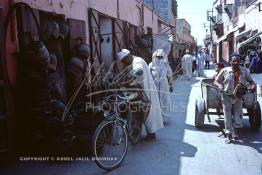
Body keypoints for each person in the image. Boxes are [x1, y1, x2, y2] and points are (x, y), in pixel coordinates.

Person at [117, 49, 163, 141]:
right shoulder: (133, 61)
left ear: (128, 56)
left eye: (124, 61)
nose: (124, 63)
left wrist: (129, 76)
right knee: (145, 111)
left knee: (148, 112)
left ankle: (151, 134)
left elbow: (139, 71)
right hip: (143, 88)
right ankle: (142, 131)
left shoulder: (137, 61)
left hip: (146, 90)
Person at [214, 53, 256, 144]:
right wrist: (220, 86)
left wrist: (253, 86)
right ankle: (228, 135)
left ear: (240, 61)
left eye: (238, 61)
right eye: (234, 61)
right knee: (227, 116)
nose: (236, 63)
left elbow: (251, 81)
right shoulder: (225, 70)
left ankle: (234, 128)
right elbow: (216, 81)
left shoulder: (244, 71)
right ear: (230, 62)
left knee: (238, 117)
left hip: (238, 97)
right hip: (226, 96)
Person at [149, 49, 173, 124]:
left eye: (161, 57)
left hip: (164, 87)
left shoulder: (166, 65)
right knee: (155, 103)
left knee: (164, 102)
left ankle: (164, 119)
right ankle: (156, 119)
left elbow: (170, 75)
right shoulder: (151, 65)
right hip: (154, 88)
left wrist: (171, 85)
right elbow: (147, 76)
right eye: (158, 57)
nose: (159, 59)